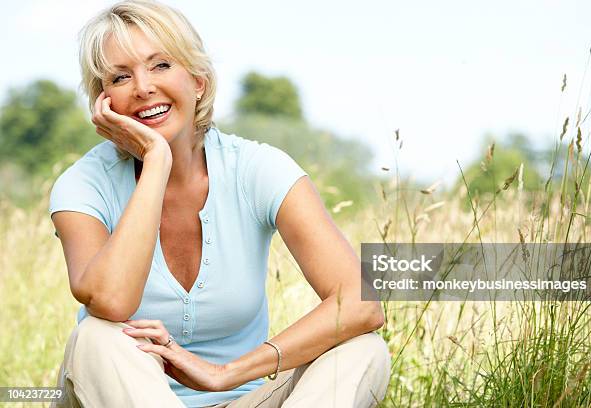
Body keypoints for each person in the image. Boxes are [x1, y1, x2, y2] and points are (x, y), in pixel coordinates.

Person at [48, 1, 391, 407]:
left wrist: (226, 374)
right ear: (105, 103)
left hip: (242, 399)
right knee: (98, 336)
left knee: (363, 350)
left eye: (161, 65)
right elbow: (112, 302)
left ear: (198, 81)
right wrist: (157, 161)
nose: (142, 87)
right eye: (121, 77)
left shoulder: (256, 168)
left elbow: (361, 303)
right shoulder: (83, 185)